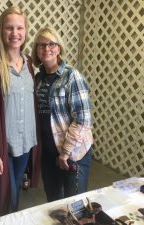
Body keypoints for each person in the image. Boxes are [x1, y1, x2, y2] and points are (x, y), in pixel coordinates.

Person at [0, 6, 40, 218]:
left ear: (26, 30)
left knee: (14, 194)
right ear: (1, 30)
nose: (15, 33)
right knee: (4, 197)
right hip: (3, 146)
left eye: (19, 28)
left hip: (26, 142)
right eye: (9, 28)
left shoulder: (29, 63)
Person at [32, 26, 94, 202]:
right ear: (36, 50)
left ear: (59, 48)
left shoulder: (72, 76)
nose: (46, 48)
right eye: (41, 45)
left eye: (51, 44)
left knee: (73, 204)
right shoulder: (38, 79)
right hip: (49, 154)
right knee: (53, 203)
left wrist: (65, 153)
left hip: (73, 154)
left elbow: (83, 120)